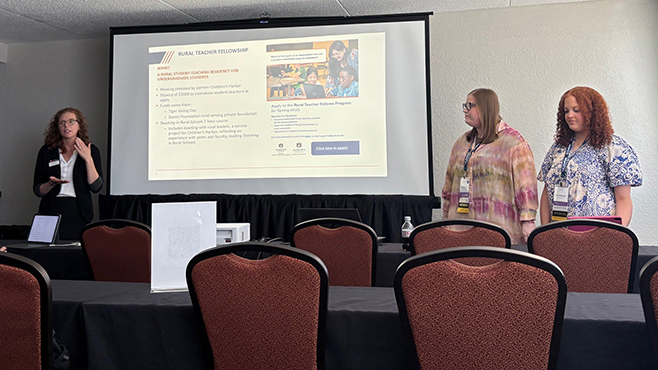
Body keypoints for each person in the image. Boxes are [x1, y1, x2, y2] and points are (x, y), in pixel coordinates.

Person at [442, 89, 538, 244]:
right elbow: (448, 185)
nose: (465, 110)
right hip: (460, 228)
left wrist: (528, 221)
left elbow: (526, 187)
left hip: (498, 231)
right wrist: (446, 218)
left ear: (486, 107)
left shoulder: (512, 142)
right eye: (464, 105)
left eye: (470, 105)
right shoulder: (462, 142)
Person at [538, 86, 642, 226]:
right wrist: (545, 233)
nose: (569, 115)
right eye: (566, 111)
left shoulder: (613, 147)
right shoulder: (558, 148)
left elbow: (623, 200)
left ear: (592, 112)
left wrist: (616, 237)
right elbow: (546, 194)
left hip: (598, 236)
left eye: (576, 110)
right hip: (559, 233)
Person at [33, 107, 103, 240]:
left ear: (79, 126)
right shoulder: (47, 151)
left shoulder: (91, 150)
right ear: (57, 127)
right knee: (48, 254)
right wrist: (50, 184)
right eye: (62, 122)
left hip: (79, 210)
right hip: (51, 210)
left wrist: (88, 159)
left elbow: (96, 187)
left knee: (75, 255)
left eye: (71, 121)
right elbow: (38, 190)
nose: (66, 125)